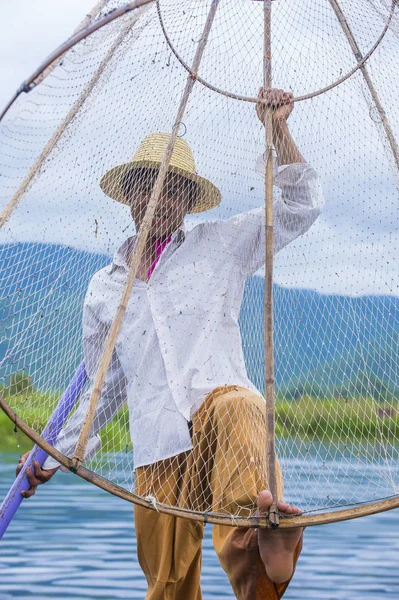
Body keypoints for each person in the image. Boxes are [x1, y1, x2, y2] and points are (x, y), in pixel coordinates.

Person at [16, 88, 324, 599]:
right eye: (147, 186)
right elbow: (100, 387)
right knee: (167, 587)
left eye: (173, 190)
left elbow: (301, 205)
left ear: (186, 201)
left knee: (242, 406)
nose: (158, 198)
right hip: (156, 445)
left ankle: (261, 537)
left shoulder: (222, 243)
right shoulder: (104, 287)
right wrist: (49, 455)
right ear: (131, 195)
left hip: (216, 418)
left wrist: (277, 129)